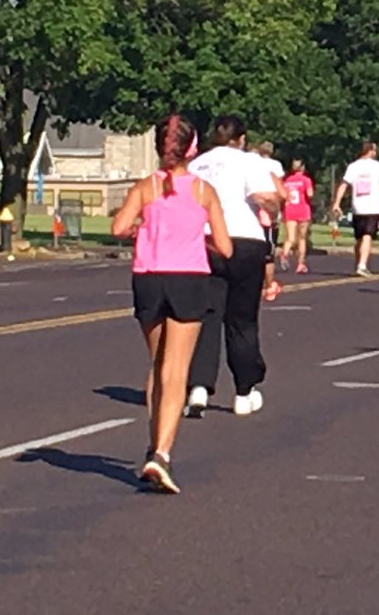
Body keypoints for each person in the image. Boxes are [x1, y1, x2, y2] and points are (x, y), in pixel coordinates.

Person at [112, 115, 233, 493]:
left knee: (158, 365)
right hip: (188, 279)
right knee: (176, 371)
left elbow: (118, 228)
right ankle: (162, 454)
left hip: (148, 279)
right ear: (192, 149)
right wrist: (204, 239)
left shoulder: (145, 187)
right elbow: (226, 248)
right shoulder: (202, 191)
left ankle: (153, 445)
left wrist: (142, 228)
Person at [186, 115, 281, 418]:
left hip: (207, 240)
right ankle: (244, 390)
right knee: (242, 319)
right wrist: (275, 208)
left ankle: (199, 386)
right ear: (241, 139)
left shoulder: (198, 165)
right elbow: (263, 197)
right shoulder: (250, 162)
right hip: (245, 240)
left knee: (207, 315)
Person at [331, 141, 379, 277]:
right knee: (367, 236)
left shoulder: (353, 166)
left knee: (359, 237)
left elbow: (344, 185)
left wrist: (336, 203)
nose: (376, 153)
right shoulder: (377, 166)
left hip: (357, 206)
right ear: (370, 151)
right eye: (374, 150)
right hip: (372, 207)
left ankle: (358, 262)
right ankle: (362, 265)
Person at [254, 142, 286, 300]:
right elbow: (280, 191)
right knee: (268, 255)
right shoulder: (275, 166)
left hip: (252, 215)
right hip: (267, 214)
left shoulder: (250, 163)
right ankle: (269, 285)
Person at [281, 159, 315, 274]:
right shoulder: (306, 180)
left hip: (290, 209)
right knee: (301, 238)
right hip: (302, 209)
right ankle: (300, 264)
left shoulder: (287, 181)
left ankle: (284, 254)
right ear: (303, 168)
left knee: (290, 238)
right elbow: (310, 194)